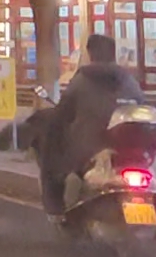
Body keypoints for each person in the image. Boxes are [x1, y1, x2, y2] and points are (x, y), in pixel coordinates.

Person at [36, 33, 142, 218]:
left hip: (89, 151)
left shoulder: (82, 80)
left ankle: (56, 209)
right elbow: (143, 108)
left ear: (90, 54)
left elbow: (62, 115)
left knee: (51, 157)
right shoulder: (130, 82)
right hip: (129, 152)